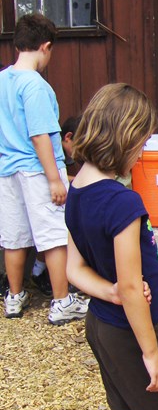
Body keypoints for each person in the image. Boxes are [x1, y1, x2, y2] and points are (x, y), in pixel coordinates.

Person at [65, 83, 158, 410]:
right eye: (140, 145)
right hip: (130, 333)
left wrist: (110, 292)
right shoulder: (122, 202)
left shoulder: (77, 191)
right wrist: (151, 353)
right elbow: (131, 285)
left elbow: (75, 268)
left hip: (102, 324)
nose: (140, 156)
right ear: (122, 139)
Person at [0, 13, 88, 324]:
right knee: (53, 235)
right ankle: (62, 302)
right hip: (36, 170)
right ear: (46, 47)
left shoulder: (3, 79)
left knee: (14, 235)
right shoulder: (34, 85)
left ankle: (14, 297)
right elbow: (40, 135)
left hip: (7, 169)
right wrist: (56, 178)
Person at [30, 115, 82, 296]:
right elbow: (47, 173)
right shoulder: (51, 149)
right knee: (54, 234)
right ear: (68, 137)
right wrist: (64, 180)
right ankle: (40, 273)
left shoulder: (62, 153)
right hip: (43, 190)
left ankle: (39, 272)